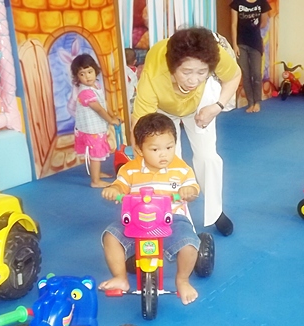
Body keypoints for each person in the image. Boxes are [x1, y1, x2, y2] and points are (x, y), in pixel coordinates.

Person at [132, 27, 241, 236]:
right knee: (167, 160)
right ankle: (181, 218)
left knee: (208, 157)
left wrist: (217, 106)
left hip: (202, 104)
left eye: (202, 72)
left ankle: (215, 212)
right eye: (186, 72)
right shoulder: (154, 74)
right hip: (164, 108)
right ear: (173, 67)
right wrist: (140, 163)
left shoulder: (215, 55)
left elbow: (234, 75)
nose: (193, 79)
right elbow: (141, 126)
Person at [100, 113, 201, 305]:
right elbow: (120, 185)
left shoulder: (181, 169)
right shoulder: (129, 169)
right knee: (110, 236)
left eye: (169, 147)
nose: (163, 154)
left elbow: (193, 189)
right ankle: (120, 277)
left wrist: (189, 191)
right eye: (155, 149)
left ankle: (182, 280)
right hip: (137, 220)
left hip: (171, 218)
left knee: (189, 244)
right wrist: (113, 190)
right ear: (139, 149)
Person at [70, 53, 120, 188]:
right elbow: (98, 109)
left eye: (90, 72)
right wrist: (111, 120)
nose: (87, 77)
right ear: (77, 77)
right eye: (82, 74)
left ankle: (97, 173)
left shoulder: (96, 85)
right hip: (90, 129)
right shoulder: (85, 92)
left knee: (97, 153)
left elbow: (103, 103)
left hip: (97, 127)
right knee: (95, 154)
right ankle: (95, 181)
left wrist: (112, 115)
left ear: (95, 71)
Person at [230, 0, 271, 113]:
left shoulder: (262, 3)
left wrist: (253, 27)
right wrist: (234, 45)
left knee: (256, 73)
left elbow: (263, 22)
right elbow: (234, 24)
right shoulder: (237, 3)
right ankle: (250, 102)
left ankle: (257, 102)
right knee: (245, 74)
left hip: (255, 43)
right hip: (241, 43)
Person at [124, 48, 138, 114]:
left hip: (127, 96)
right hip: (134, 95)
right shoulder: (136, 70)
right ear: (135, 61)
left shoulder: (123, 70)